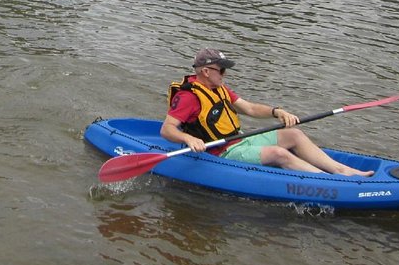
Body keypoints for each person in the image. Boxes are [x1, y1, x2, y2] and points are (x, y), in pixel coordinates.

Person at [160, 49, 373, 176]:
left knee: (294, 134)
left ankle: (341, 170)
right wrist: (188, 138)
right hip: (220, 151)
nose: (225, 74)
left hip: (240, 140)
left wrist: (277, 111)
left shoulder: (219, 89)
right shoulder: (189, 97)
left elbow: (250, 108)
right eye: (221, 70)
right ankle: (327, 182)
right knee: (279, 153)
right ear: (206, 71)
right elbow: (167, 129)